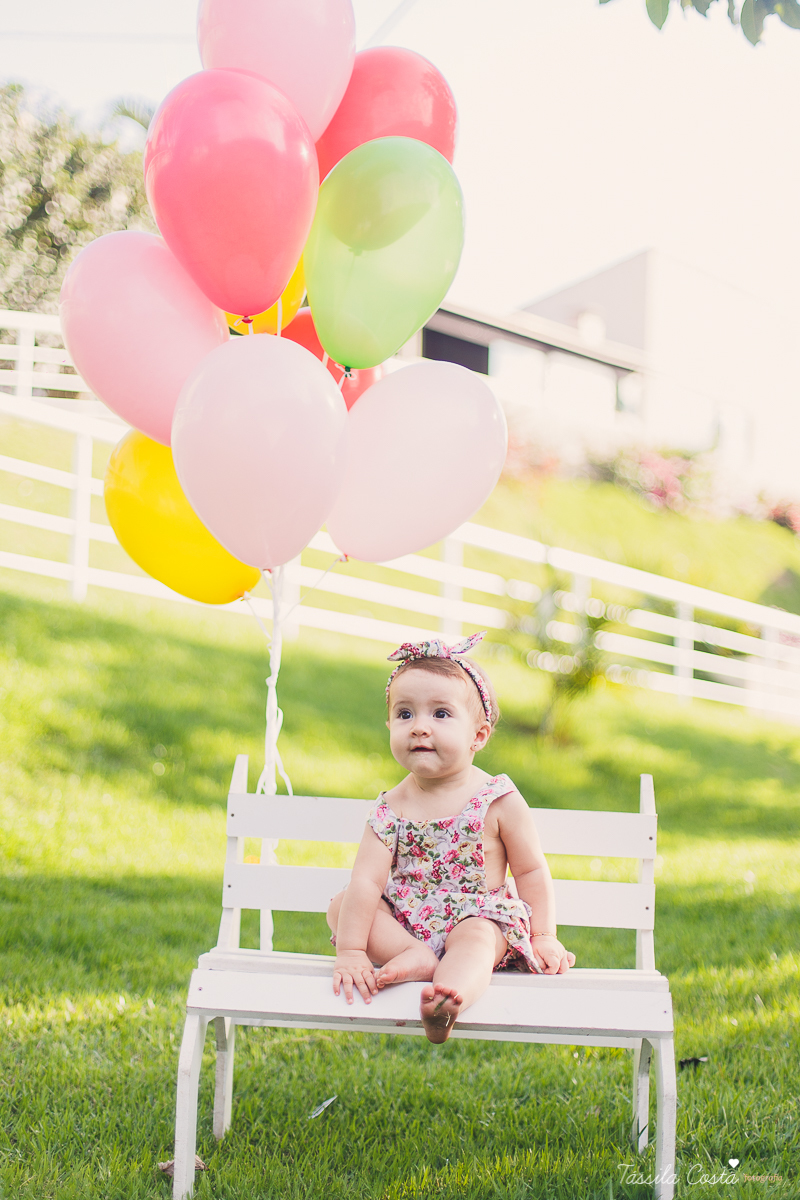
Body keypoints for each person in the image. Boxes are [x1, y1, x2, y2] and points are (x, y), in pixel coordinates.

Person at [326, 631, 575, 1044]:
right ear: (389, 725)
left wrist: (543, 935)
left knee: (477, 939)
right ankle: (416, 957)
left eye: (440, 714)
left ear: (478, 735)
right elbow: (366, 882)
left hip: (476, 914)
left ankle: (449, 996)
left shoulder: (498, 800)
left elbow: (531, 869)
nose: (420, 727)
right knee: (342, 906)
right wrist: (351, 950)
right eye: (405, 715)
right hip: (408, 920)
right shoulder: (390, 807)